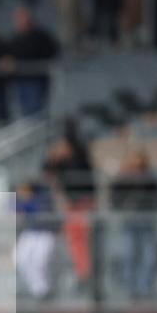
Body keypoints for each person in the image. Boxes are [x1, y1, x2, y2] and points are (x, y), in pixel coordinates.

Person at [43, 120, 95, 289]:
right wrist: (54, 157)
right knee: (75, 241)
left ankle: (85, 274)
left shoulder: (78, 154)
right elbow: (47, 170)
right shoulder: (65, 157)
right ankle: (82, 273)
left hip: (82, 204)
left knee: (82, 241)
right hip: (73, 205)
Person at [110, 149, 157, 299]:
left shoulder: (150, 177)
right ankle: (131, 288)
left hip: (146, 219)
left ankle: (146, 287)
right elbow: (115, 196)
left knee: (148, 255)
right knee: (130, 254)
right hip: (130, 220)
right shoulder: (123, 177)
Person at [4, 7, 60, 116]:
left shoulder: (40, 35)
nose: (20, 22)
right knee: (24, 108)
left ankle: (39, 130)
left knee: (35, 108)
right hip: (20, 78)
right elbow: (8, 52)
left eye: (23, 18)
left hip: (37, 77)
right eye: (18, 19)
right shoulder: (14, 37)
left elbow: (51, 50)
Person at [16, 179, 58, 299]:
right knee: (22, 260)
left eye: (24, 191)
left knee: (39, 262)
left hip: (45, 234)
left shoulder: (43, 200)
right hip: (30, 233)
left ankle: (44, 290)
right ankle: (38, 289)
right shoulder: (21, 202)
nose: (22, 193)